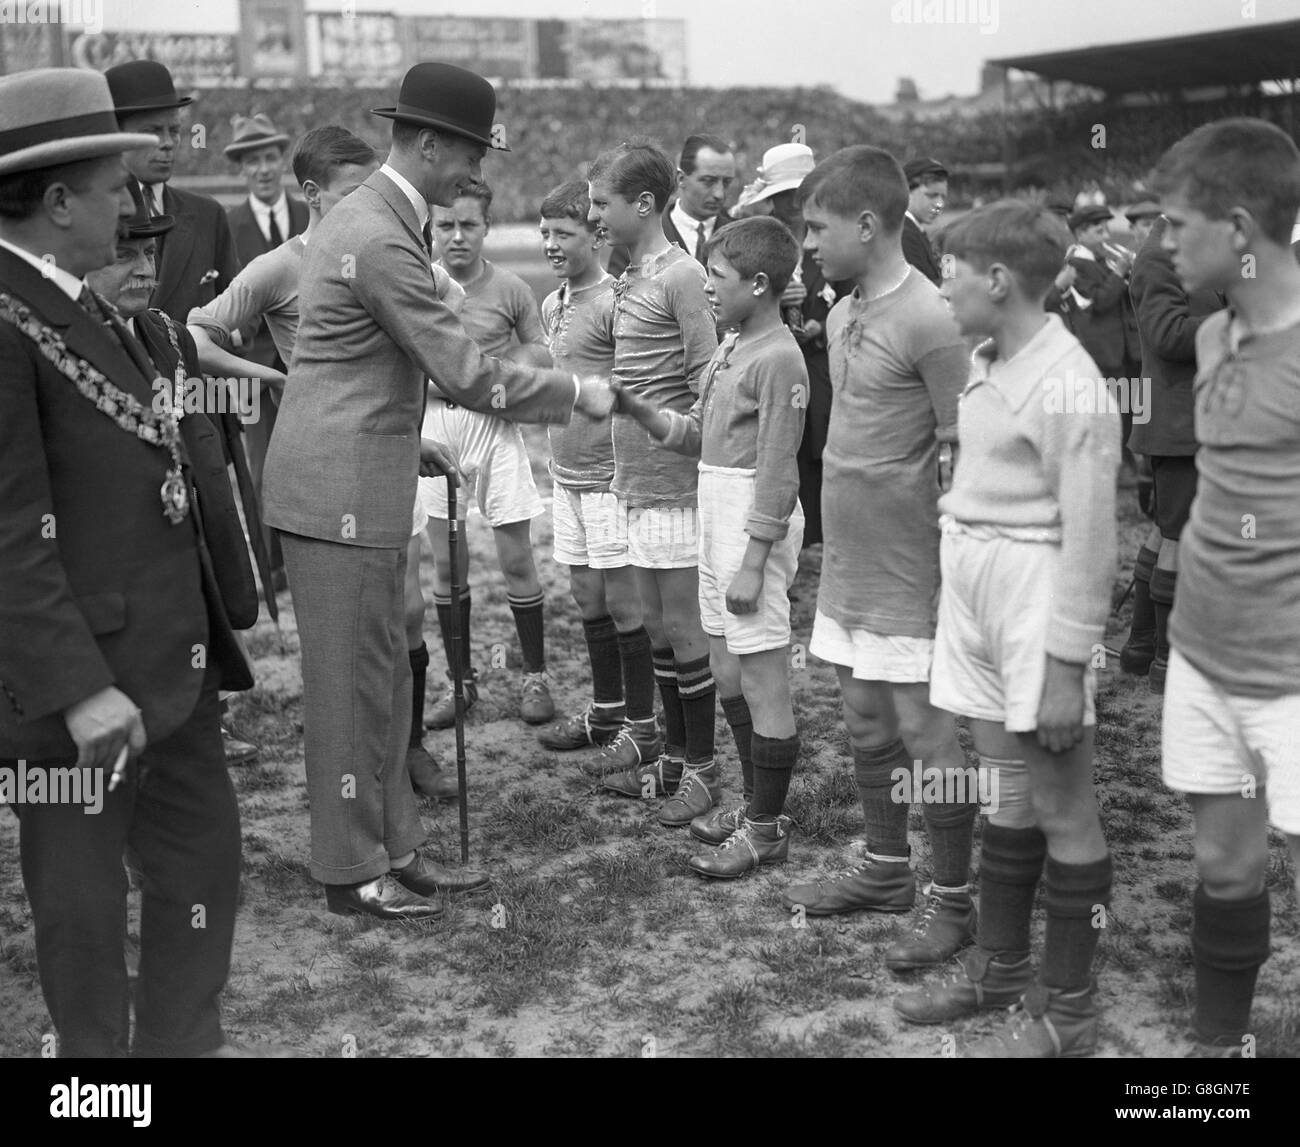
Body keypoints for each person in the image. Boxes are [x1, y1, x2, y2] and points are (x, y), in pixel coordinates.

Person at [260, 63, 613, 921]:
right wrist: (577, 391)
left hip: (366, 477)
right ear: (426, 144)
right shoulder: (379, 233)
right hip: (332, 491)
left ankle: (398, 849)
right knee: (349, 690)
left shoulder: (386, 221)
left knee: (381, 682)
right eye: (467, 154)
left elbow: (360, 372)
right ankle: (351, 872)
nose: (475, 175)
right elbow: (462, 370)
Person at [0, 68, 284, 1057]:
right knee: (80, 910)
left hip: (173, 672)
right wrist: (79, 691)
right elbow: (9, 532)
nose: (131, 203)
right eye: (112, 184)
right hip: (82, 701)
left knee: (201, 876)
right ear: (58, 200)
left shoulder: (92, 310)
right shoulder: (10, 320)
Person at [893, 201, 1120, 1058]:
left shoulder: (1070, 385)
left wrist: (1066, 665)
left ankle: (1068, 1009)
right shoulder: (986, 360)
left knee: (1063, 803)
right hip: (978, 593)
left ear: (997, 280)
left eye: (951, 270)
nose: (941, 283)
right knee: (1005, 790)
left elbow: (1093, 539)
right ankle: (999, 965)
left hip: (1037, 598)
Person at [190, 125, 464, 803]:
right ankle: (354, 780)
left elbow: (448, 313)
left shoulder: (384, 244)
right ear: (311, 194)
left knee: (405, 611)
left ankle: (407, 750)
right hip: (326, 460)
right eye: (349, 192)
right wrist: (270, 376)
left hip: (389, 447)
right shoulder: (281, 266)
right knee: (352, 629)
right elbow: (195, 334)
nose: (364, 201)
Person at [778, 147, 978, 974]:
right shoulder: (849, 304)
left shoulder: (933, 318)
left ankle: (954, 900)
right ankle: (888, 870)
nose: (808, 246)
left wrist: (954, 567)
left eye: (818, 229)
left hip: (910, 566)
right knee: (863, 718)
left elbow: (967, 449)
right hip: (850, 561)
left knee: (927, 732)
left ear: (867, 225)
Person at [1152, 118, 1300, 1057]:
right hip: (1203, 651)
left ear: (1238, 229)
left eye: (1174, 225)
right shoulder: (1210, 334)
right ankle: (1219, 1059)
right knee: (1222, 862)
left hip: (1291, 670)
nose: (1160, 245)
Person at [613, 217, 806, 877]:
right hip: (714, 514)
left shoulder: (780, 357)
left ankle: (765, 828)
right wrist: (641, 412)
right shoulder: (729, 347)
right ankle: (757, 806)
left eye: (718, 279)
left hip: (751, 521)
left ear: (759, 283)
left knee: (763, 678)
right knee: (726, 670)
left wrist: (755, 561)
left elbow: (780, 472)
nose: (709, 290)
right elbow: (701, 434)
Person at [586, 138, 722, 829]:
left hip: (674, 484)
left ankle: (703, 767)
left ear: (644, 204)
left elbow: (708, 380)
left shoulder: (683, 276)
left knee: (684, 631)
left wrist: (680, 441)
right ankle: (671, 754)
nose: (594, 216)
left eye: (601, 203)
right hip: (633, 481)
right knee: (658, 634)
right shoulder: (628, 276)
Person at [418, 182, 556, 730]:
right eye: (446, 225)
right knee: (449, 563)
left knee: (516, 558)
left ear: (486, 228)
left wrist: (497, 366)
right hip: (434, 427)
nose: (456, 236)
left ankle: (535, 675)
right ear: (432, 228)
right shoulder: (417, 284)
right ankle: (461, 682)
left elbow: (541, 349)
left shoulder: (510, 288)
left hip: (494, 428)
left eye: (468, 225)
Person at [533, 180, 658, 755]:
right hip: (566, 475)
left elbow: (631, 393)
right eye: (545, 233)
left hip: (610, 479)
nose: (552, 244)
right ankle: (605, 713)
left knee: (624, 603)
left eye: (564, 233)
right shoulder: (552, 303)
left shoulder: (616, 302)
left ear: (594, 234)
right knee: (586, 598)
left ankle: (641, 726)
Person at [1118, 212, 1220, 694]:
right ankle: (1167, 663)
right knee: (1179, 535)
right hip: (1178, 422)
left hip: (1191, 417)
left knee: (1165, 532)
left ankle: (1141, 649)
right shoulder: (1160, 254)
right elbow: (1170, 335)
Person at [733, 142, 846, 550]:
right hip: (770, 363)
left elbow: (854, 297)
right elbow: (737, 297)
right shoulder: (759, 241)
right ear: (772, 199)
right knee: (776, 451)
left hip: (820, 368)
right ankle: (775, 540)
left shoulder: (832, 236)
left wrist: (822, 325)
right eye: (785, 195)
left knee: (820, 452)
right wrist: (779, 303)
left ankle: (816, 541)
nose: (794, 203)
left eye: (801, 194)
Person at [222, 112, 309, 594]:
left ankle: (308, 558)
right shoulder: (229, 224)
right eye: (252, 160)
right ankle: (271, 568)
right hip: (253, 365)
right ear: (241, 169)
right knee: (262, 470)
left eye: (270, 157)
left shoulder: (309, 213)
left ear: (282, 161)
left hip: (311, 361)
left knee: (312, 462)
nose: (262, 168)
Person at [105, 60, 240, 324]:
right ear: (115, 135)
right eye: (152, 132)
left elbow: (241, 311)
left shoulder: (207, 215)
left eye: (174, 131)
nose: (167, 143)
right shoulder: (93, 218)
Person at [606, 133, 737, 277]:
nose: (719, 194)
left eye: (726, 182)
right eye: (708, 181)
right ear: (681, 179)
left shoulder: (739, 238)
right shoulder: (637, 236)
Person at [902, 157, 948, 285]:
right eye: (932, 195)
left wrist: (949, 255)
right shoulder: (903, 234)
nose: (939, 204)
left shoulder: (915, 230)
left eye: (943, 197)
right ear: (907, 191)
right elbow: (922, 289)